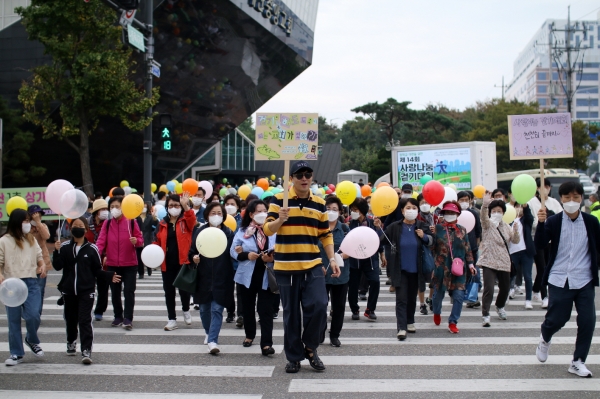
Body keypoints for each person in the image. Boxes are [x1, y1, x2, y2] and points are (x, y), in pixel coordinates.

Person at [264, 160, 339, 374]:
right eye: (299, 175)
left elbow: (325, 234)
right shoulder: (279, 199)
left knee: (319, 305)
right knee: (291, 315)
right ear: (292, 178)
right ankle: (294, 357)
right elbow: (268, 230)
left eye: (308, 174)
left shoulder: (319, 203)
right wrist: (280, 220)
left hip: (313, 264)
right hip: (286, 266)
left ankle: (310, 347)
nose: (304, 178)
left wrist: (332, 259)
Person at [534, 181, 598, 378]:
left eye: (576, 197)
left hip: (584, 278)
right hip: (560, 277)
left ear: (581, 199)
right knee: (558, 319)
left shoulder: (591, 222)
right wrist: (542, 223)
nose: (572, 201)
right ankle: (545, 336)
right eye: (567, 197)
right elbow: (540, 244)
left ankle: (578, 361)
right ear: (561, 199)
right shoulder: (553, 221)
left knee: (588, 320)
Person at [52, 217, 121, 364]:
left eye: (80, 225)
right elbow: (58, 266)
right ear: (70, 229)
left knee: (85, 320)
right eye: (75, 225)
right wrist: (56, 252)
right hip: (69, 291)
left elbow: (97, 270)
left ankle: (86, 350)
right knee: (70, 320)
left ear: (86, 229)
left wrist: (109, 276)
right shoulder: (64, 248)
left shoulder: (92, 249)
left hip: (86, 291)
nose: (77, 228)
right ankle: (71, 341)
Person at [379, 198, 432, 341]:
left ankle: (410, 322)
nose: (411, 210)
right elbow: (382, 240)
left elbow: (432, 241)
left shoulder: (422, 225)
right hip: (400, 269)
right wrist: (378, 228)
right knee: (401, 298)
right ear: (402, 211)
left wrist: (424, 236)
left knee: (411, 298)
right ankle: (401, 327)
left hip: (417, 269)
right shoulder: (394, 227)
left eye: (414, 208)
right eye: (408, 208)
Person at [230, 200, 277, 356]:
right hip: (246, 276)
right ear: (251, 214)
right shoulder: (243, 231)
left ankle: (266, 344)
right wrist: (245, 254)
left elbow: (281, 249)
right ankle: (249, 335)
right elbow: (233, 251)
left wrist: (272, 258)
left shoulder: (273, 231)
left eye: (265, 210)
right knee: (248, 308)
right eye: (258, 211)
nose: (262, 214)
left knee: (266, 311)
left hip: (267, 275)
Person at [0, 209, 46, 366]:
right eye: (25, 221)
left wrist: (42, 266)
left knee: (33, 315)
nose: (28, 224)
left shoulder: (31, 239)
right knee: (13, 320)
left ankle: (31, 339)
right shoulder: (4, 241)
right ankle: (16, 353)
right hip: (11, 284)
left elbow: (40, 257)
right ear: (16, 222)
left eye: (28, 221)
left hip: (31, 282)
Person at [190, 202, 235, 354]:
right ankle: (209, 332)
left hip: (223, 277)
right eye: (213, 213)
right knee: (204, 309)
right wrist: (194, 258)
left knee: (217, 309)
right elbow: (192, 251)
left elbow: (233, 255)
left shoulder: (229, 233)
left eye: (219, 213)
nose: (216, 216)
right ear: (207, 215)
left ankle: (213, 341)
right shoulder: (199, 232)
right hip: (203, 277)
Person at [95, 196, 144, 330]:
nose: (114, 209)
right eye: (112, 207)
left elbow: (140, 239)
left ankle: (128, 318)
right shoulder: (107, 224)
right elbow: (101, 241)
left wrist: (136, 241)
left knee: (129, 291)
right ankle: (118, 316)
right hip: (112, 264)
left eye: (117, 206)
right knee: (115, 292)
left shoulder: (131, 222)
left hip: (130, 264)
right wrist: (95, 254)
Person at [430, 201, 476, 333]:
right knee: (438, 295)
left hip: (458, 269)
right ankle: (437, 312)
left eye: (452, 213)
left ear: (457, 214)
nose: (450, 215)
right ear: (443, 214)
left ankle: (453, 321)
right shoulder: (437, 228)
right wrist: (431, 235)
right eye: (447, 212)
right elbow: (431, 247)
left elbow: (467, 249)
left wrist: (471, 264)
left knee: (459, 296)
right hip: (441, 268)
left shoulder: (462, 230)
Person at [154, 193, 195, 331]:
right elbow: (157, 240)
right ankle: (172, 319)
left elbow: (192, 220)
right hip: (167, 263)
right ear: (166, 207)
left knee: (184, 290)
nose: (173, 208)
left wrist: (185, 205)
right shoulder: (162, 223)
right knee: (169, 292)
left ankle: (185, 309)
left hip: (183, 261)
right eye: (171, 205)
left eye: (176, 205)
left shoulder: (186, 220)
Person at [477, 193, 519, 327]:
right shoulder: (487, 225)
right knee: (488, 288)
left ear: (503, 213)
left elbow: (515, 240)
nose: (496, 213)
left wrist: (516, 231)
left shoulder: (506, 226)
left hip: (504, 261)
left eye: (499, 211)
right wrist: (485, 205)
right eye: (494, 211)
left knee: (505, 288)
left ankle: (500, 306)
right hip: (489, 260)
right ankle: (485, 314)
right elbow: (483, 218)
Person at [348, 197, 385, 321]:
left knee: (375, 281)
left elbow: (378, 239)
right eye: (352, 209)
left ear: (362, 211)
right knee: (353, 286)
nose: (353, 212)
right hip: (354, 259)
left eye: (355, 209)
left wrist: (382, 254)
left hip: (370, 259)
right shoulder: (349, 223)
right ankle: (354, 309)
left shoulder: (372, 222)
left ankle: (370, 309)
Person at [319, 196, 350, 347]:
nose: (331, 212)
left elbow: (351, 249)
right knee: (319, 305)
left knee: (338, 307)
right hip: (320, 273)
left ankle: (335, 335)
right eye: (328, 208)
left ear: (340, 212)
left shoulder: (344, 229)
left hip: (340, 274)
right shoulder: (317, 228)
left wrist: (340, 256)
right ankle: (320, 331)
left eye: (334, 209)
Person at [528, 179, 563, 309]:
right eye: (542, 186)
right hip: (537, 239)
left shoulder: (554, 203)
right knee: (542, 267)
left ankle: (536, 288)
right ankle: (545, 296)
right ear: (537, 188)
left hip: (552, 240)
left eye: (547, 186)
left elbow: (561, 219)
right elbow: (531, 222)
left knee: (549, 267)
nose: (545, 189)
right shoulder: (531, 202)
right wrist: (542, 223)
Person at [508, 203, 536, 309]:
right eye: (517, 207)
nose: (518, 209)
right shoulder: (510, 221)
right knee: (510, 274)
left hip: (526, 251)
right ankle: (511, 290)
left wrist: (526, 207)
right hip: (513, 251)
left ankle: (528, 300)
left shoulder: (526, 220)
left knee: (528, 277)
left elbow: (530, 217)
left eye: (520, 207)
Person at [457, 192, 482, 308]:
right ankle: (458, 295)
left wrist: (476, 246)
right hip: (458, 249)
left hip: (473, 249)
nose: (464, 202)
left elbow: (478, 232)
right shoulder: (454, 214)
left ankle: (473, 298)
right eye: (461, 200)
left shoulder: (474, 214)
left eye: (466, 199)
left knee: (474, 273)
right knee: (459, 272)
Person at [87, 199, 109, 321]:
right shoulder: (87, 223)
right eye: (103, 209)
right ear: (96, 212)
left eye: (106, 209)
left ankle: (99, 310)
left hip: (104, 260)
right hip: (89, 259)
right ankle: (87, 308)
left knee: (103, 288)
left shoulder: (108, 223)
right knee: (88, 287)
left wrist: (107, 254)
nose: (105, 212)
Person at [416, 194, 439, 313]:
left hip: (434, 250)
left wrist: (437, 230)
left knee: (433, 277)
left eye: (427, 202)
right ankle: (421, 304)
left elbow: (441, 233)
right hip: (420, 251)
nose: (425, 205)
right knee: (420, 278)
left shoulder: (436, 217)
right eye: (422, 203)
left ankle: (430, 298)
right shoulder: (416, 218)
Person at [28, 205, 51, 316]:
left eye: (39, 215)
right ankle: (29, 311)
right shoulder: (26, 228)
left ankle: (37, 314)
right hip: (28, 263)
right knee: (28, 289)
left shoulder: (43, 226)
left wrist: (38, 223)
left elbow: (46, 236)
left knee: (40, 290)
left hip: (42, 262)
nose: (38, 217)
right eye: (35, 215)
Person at [223, 194, 242, 323]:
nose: (229, 207)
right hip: (225, 260)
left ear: (238, 207)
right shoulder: (219, 221)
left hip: (239, 260)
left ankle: (241, 314)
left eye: (232, 204)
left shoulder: (243, 222)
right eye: (227, 204)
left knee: (241, 289)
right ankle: (230, 311)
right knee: (227, 288)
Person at [137, 201, 158, 277]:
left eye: (145, 207)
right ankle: (141, 273)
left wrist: (154, 218)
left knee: (147, 255)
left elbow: (156, 225)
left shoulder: (150, 217)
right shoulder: (136, 217)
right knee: (139, 257)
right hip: (139, 239)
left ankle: (149, 268)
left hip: (147, 238)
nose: (144, 208)